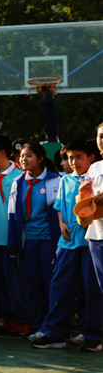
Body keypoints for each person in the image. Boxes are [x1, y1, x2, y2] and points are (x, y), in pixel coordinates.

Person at [31, 140, 102, 352]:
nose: (73, 162)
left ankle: (92, 336)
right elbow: (60, 206)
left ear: (91, 158)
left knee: (91, 291)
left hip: (90, 241)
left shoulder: (95, 178)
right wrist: (61, 222)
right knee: (59, 287)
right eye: (70, 158)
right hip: (67, 242)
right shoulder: (66, 180)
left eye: (78, 157)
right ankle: (54, 333)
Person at [7, 142, 61, 331]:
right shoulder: (18, 183)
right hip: (28, 242)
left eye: (29, 155)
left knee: (51, 284)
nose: (24, 159)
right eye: (22, 156)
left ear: (40, 159)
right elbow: (13, 216)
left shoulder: (56, 181)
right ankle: (38, 325)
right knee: (32, 284)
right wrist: (13, 246)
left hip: (49, 241)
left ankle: (54, 326)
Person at [0, 135, 31, 335]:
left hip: (10, 238)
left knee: (15, 281)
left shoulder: (19, 177)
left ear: (2, 153)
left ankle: (23, 319)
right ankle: (9, 317)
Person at [85, 123, 103, 299]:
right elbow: (84, 198)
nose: (102, 140)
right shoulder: (94, 167)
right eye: (100, 136)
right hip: (96, 234)